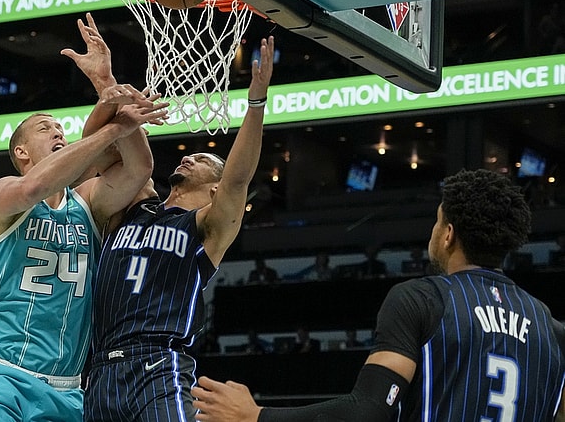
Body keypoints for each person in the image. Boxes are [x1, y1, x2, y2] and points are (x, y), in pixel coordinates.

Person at [192, 169, 565, 422]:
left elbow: (369, 409)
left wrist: (258, 415)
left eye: (436, 222)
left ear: (448, 234)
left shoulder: (422, 299)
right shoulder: (552, 329)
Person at [0, 13, 169, 421]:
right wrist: (111, 129)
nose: (57, 132)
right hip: (1, 378)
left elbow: (139, 170)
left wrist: (106, 83)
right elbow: (32, 188)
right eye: (44, 128)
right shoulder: (3, 194)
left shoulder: (86, 204)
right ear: (21, 152)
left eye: (61, 129)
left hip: (69, 390)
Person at [84, 36, 275, 422]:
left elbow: (238, 180)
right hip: (100, 370)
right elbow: (98, 150)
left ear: (214, 188)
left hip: (158, 364)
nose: (189, 156)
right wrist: (105, 83)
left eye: (202, 159)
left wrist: (255, 103)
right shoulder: (131, 208)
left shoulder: (206, 228)